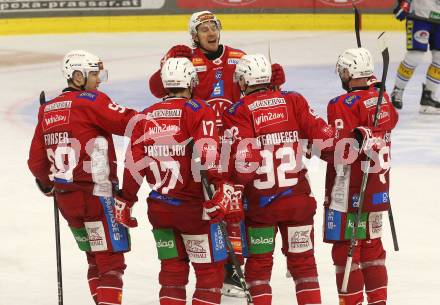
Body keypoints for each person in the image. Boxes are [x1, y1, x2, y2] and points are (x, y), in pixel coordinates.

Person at [148, 10, 286, 297]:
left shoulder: (238, 57)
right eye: (204, 29)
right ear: (194, 36)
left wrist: (273, 84)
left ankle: (233, 270)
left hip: (237, 143)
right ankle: (204, 259)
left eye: (213, 26)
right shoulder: (187, 61)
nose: (210, 32)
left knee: (237, 207)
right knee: (203, 208)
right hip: (200, 146)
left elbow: (256, 91)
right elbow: (158, 89)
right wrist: (167, 61)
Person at [114, 57, 244, 305]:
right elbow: (209, 155)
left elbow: (133, 165)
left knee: (172, 274)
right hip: (195, 211)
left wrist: (126, 200)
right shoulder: (198, 110)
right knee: (209, 274)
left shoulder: (145, 116)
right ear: (192, 82)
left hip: (161, 210)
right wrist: (221, 189)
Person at [222, 54, 335, 305]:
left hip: (262, 206)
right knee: (304, 265)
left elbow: (245, 161)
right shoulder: (293, 100)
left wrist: (233, 186)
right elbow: (328, 143)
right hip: (297, 201)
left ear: (243, 81)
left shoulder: (237, 110)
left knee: (259, 267)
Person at [27, 50, 138, 305]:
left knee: (93, 258)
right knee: (110, 262)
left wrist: (47, 185)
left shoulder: (47, 110)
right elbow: (128, 123)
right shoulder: (91, 101)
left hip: (67, 200)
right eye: (94, 74)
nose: (99, 80)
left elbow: (36, 162)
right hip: (96, 195)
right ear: (78, 76)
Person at [324, 47, 399, 305]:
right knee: (372, 249)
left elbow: (339, 150)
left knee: (345, 249)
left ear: (347, 73)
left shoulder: (340, 104)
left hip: (348, 191)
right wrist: (377, 89)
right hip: (378, 190)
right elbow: (392, 119)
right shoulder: (383, 99)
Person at [391, 0, 440, 113]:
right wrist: (404, 2)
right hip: (419, 16)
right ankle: (398, 90)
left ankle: (429, 97)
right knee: (415, 56)